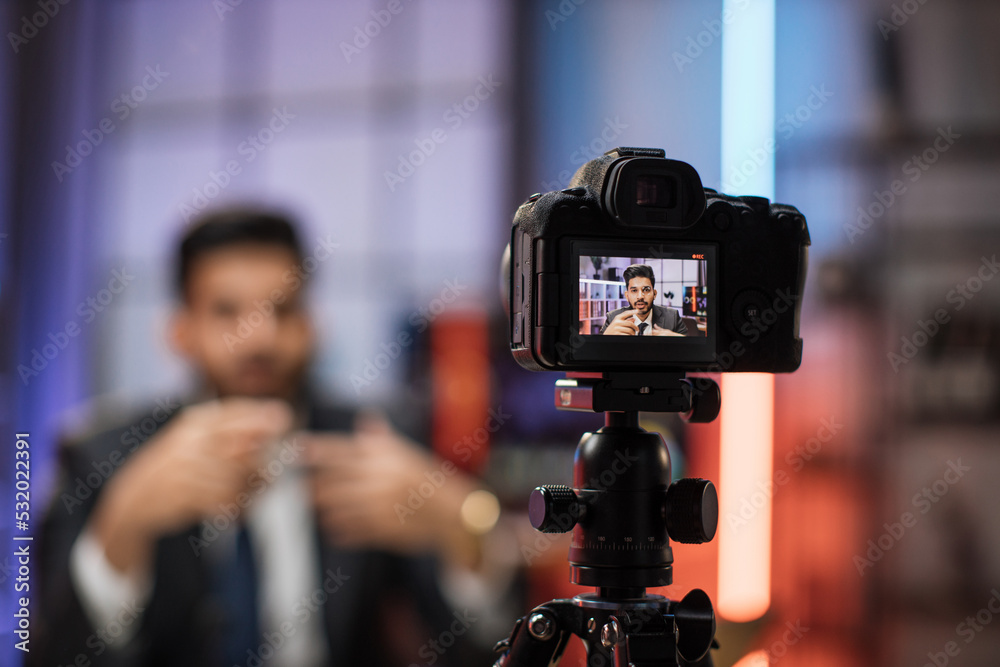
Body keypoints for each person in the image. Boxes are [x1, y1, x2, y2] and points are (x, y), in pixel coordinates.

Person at [31, 209, 510, 667]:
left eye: (282, 309)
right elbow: (52, 653)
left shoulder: (376, 443)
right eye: (226, 311)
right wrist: (124, 520)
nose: (259, 338)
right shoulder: (103, 456)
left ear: (311, 325)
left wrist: (460, 521)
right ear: (180, 332)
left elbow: (488, 645)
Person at [600, 264, 688, 337]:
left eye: (646, 290)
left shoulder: (672, 317)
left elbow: (691, 352)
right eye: (634, 290)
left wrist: (679, 342)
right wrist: (606, 337)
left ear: (654, 294)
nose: (640, 296)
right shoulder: (613, 318)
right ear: (627, 296)